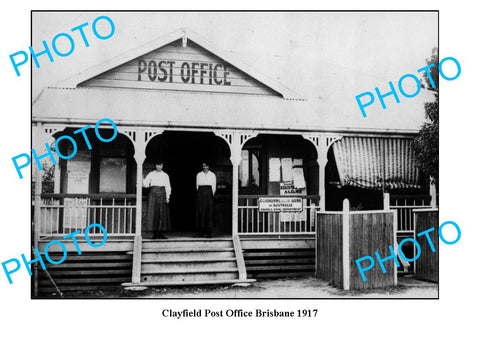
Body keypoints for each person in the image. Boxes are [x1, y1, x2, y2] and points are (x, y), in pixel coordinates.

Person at [143, 160, 171, 239]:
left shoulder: (165, 175)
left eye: (161, 165)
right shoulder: (151, 174)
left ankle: (160, 233)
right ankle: (155, 233)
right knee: (154, 214)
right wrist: (142, 179)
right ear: (155, 165)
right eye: (158, 165)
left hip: (162, 194)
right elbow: (146, 184)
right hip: (153, 194)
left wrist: (167, 197)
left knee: (162, 213)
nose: (159, 166)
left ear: (162, 165)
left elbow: (168, 186)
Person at [194, 162, 216, 238]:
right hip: (200, 193)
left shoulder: (212, 175)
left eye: (206, 166)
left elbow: (213, 186)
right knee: (200, 212)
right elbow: (197, 186)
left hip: (209, 193)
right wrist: (200, 194)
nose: (205, 167)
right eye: (203, 166)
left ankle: (208, 232)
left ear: (208, 166)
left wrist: (210, 195)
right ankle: (201, 232)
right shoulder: (199, 175)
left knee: (208, 212)